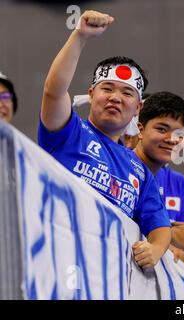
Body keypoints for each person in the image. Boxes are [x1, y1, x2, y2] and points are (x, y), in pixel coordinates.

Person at [38, 10, 171, 269]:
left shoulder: (140, 173)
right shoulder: (69, 131)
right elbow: (54, 91)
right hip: (56, 264)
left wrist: (154, 249)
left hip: (103, 279)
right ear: (91, 94)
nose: (115, 97)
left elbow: (160, 225)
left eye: (126, 93)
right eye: (107, 89)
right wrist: (80, 36)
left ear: (138, 108)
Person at [133, 91, 184, 264]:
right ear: (140, 130)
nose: (172, 139)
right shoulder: (121, 164)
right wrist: (172, 234)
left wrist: (170, 235)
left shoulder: (161, 180)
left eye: (180, 135)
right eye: (161, 129)